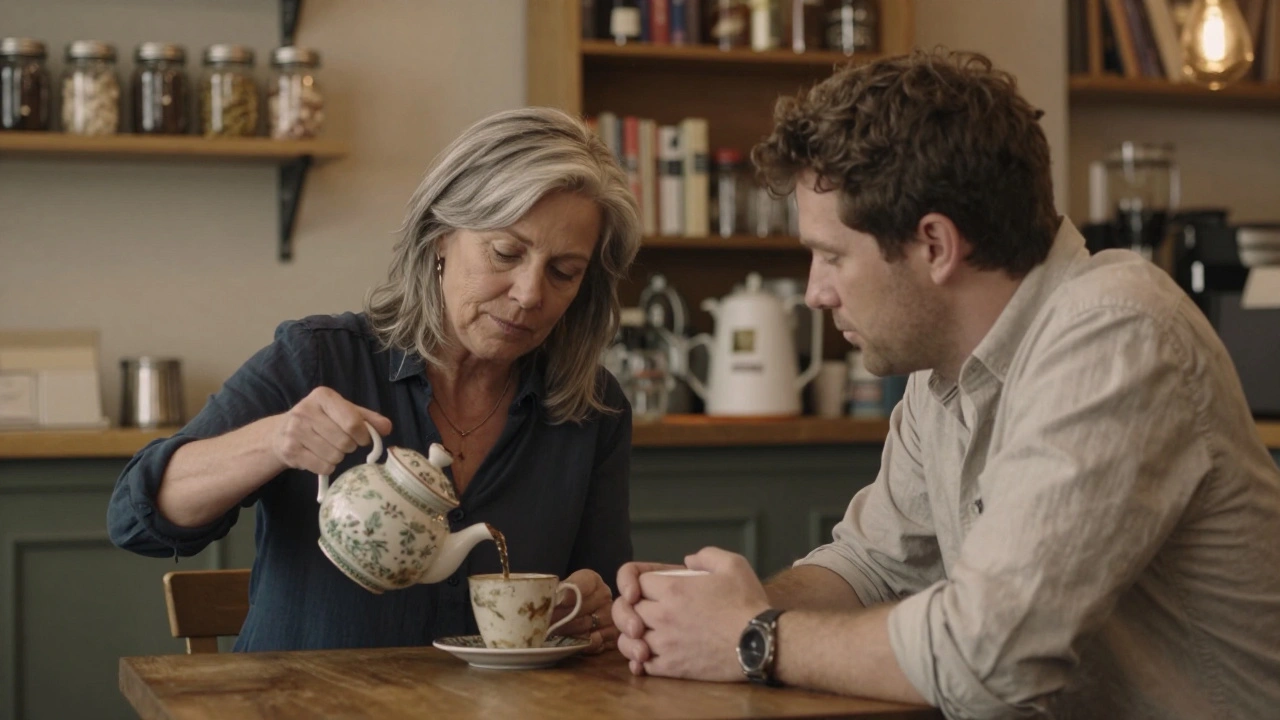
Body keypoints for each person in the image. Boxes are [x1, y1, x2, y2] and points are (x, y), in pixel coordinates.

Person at [612, 50, 1280, 719]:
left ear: (934, 245)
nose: (815, 293)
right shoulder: (946, 372)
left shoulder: (1115, 335)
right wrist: (715, 608)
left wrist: (750, 638)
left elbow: (987, 659)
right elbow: (872, 567)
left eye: (832, 255)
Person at [108, 107, 641, 652]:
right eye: (506, 252)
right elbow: (135, 516)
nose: (530, 293)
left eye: (563, 272)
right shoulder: (318, 360)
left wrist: (594, 609)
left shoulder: (591, 409)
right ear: (439, 236)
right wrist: (274, 441)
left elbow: (600, 587)